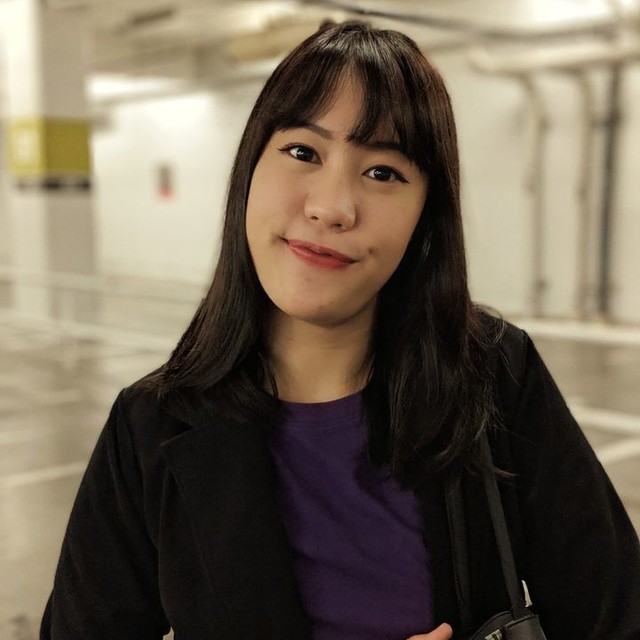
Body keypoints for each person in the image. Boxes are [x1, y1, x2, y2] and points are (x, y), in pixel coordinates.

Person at [41, 20, 640, 640]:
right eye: (304, 152)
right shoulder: (151, 425)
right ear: (249, 170)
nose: (331, 207)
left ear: (425, 216)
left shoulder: (495, 374)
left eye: (382, 172)